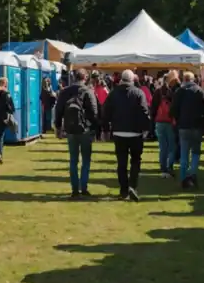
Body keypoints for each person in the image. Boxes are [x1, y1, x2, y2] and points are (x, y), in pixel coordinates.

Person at [102, 70, 150, 202]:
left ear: (121, 80)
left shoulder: (113, 93)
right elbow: (144, 111)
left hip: (119, 132)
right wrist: (146, 128)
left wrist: (106, 130)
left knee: (121, 163)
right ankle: (132, 186)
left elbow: (106, 112)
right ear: (133, 80)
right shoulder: (139, 93)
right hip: (135, 132)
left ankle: (124, 190)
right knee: (136, 161)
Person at [55, 69, 99, 198]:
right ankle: (83, 187)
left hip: (70, 129)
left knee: (73, 160)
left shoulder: (65, 92)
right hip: (85, 130)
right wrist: (95, 129)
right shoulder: (88, 91)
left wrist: (58, 128)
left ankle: (75, 189)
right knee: (86, 160)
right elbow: (94, 112)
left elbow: (59, 110)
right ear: (85, 77)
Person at [170, 71, 204, 189]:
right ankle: (192, 173)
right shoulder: (199, 91)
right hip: (197, 126)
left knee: (184, 154)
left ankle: (184, 179)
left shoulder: (179, 92)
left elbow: (173, 110)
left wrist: (178, 120)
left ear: (184, 80)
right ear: (194, 80)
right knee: (195, 152)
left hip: (183, 126)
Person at [151, 77, 177, 178]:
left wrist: (153, 120)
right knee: (171, 146)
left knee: (162, 146)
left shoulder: (157, 92)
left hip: (159, 121)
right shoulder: (172, 93)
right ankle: (169, 166)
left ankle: (163, 167)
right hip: (169, 122)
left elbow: (153, 108)